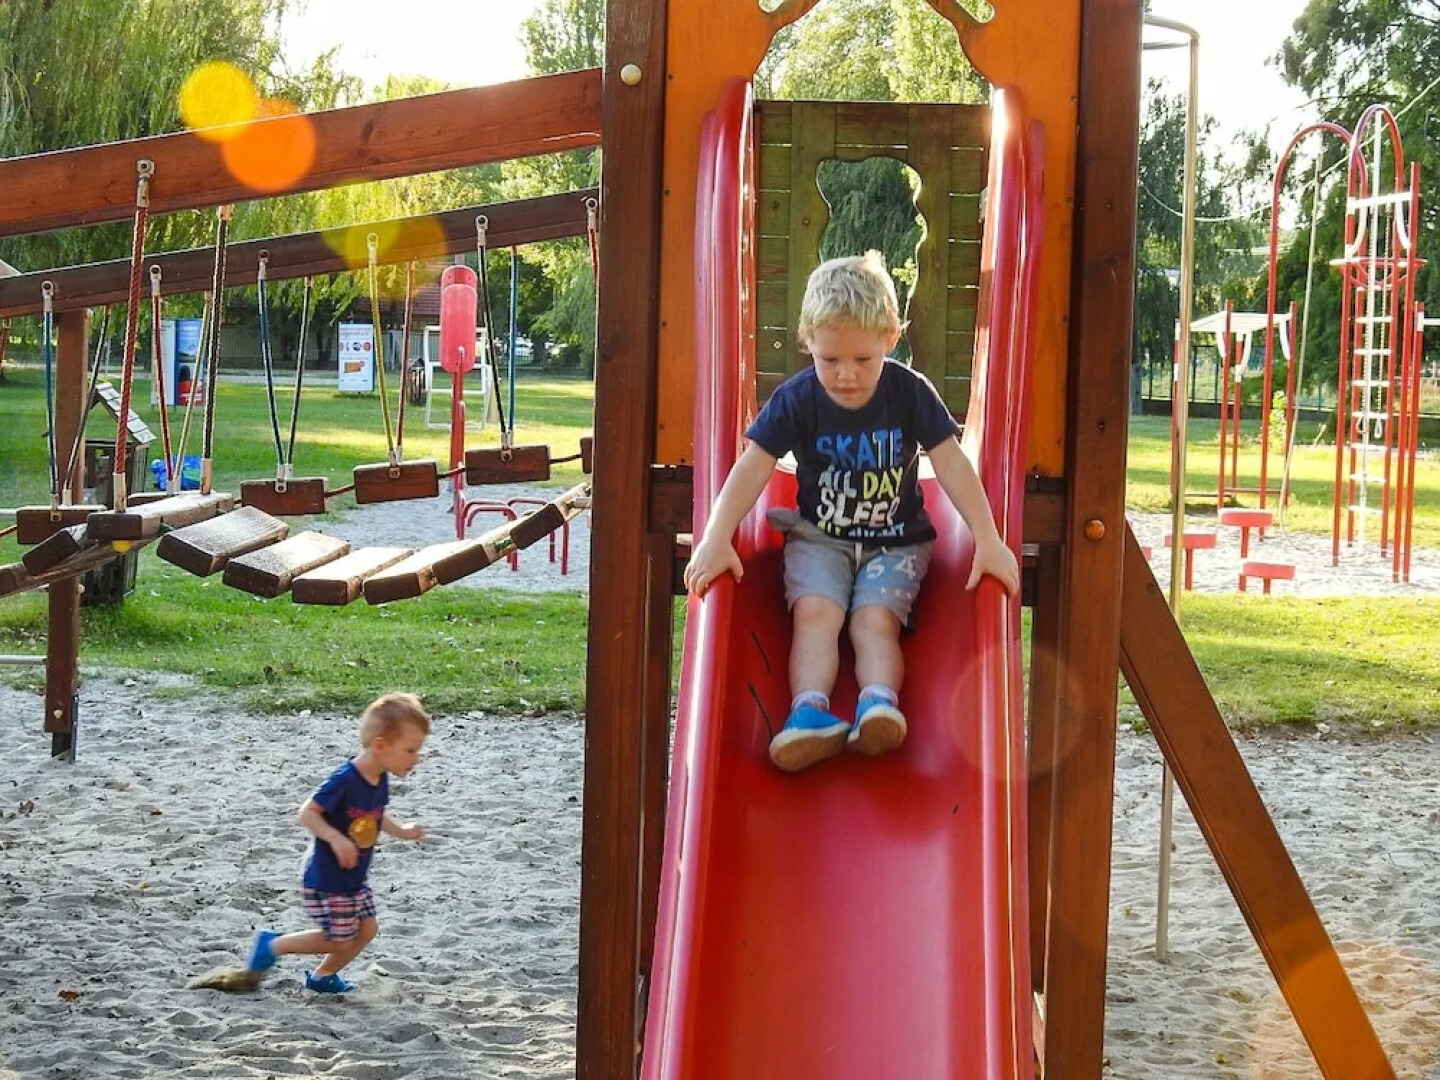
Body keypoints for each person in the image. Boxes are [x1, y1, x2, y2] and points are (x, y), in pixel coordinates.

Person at [684, 252, 1020, 772]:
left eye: (863, 360)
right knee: (815, 615)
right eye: (830, 361)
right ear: (808, 344)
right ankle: (808, 715)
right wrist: (716, 536)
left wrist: (989, 539)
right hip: (819, 537)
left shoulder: (909, 393)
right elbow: (753, 467)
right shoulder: (798, 398)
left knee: (873, 620)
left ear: (890, 338)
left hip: (897, 541)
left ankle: (879, 706)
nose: (845, 376)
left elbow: (952, 464)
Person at [244, 692, 431, 993]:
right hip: (327, 877)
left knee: (367, 929)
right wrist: (334, 837)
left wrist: (404, 831)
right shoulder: (345, 779)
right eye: (411, 750)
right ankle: (273, 946)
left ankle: (322, 976)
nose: (417, 758)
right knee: (337, 937)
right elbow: (307, 812)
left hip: (353, 877)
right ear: (381, 745)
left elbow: (376, 816)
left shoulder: (380, 776)